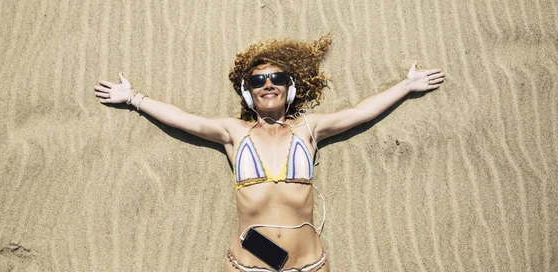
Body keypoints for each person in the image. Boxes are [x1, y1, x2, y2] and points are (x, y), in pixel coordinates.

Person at [93, 34, 445, 271]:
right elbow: (185, 120)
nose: (268, 85)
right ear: (248, 93)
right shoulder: (234, 133)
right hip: (251, 265)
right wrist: (133, 98)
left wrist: (406, 86)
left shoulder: (309, 129)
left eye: (276, 78)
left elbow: (358, 112)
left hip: (308, 263)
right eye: (257, 81)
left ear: (290, 89)